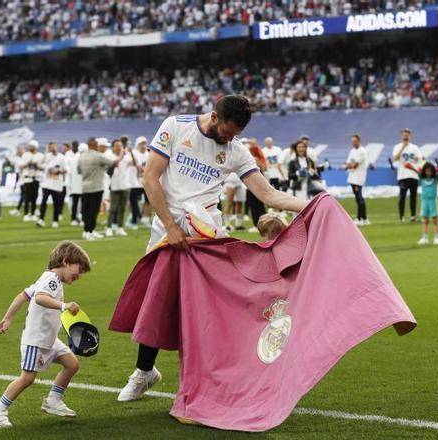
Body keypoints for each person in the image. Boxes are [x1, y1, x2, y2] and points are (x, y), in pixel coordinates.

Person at [116, 95, 307, 402]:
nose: (230, 140)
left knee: (206, 311)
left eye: (236, 136)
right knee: (158, 302)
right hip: (168, 235)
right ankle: (144, 372)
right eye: (228, 132)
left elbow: (268, 194)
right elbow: (150, 178)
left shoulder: (236, 150)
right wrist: (171, 226)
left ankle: (210, 381)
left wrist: (313, 205)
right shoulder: (175, 127)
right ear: (215, 117)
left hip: (207, 239)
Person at [0, 240, 91, 428]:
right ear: (66, 261)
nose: (80, 276)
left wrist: (8, 318)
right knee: (27, 378)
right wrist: (64, 305)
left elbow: (23, 296)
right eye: (79, 269)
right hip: (36, 340)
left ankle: (53, 400)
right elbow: (40, 298)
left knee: (72, 364)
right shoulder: (50, 280)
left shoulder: (49, 279)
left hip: (49, 339)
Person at [77, 138, 118, 240]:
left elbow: (78, 170)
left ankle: (86, 231)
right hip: (96, 187)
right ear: (95, 145)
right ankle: (90, 231)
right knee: (93, 210)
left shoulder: (82, 156)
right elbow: (111, 163)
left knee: (86, 210)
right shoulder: (97, 155)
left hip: (85, 187)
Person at [392, 128, 422, 222]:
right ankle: (401, 217)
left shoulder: (415, 147)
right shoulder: (397, 147)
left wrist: (417, 159)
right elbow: (395, 158)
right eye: (404, 135)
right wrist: (403, 148)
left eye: (407, 135)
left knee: (413, 197)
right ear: (401, 136)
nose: (405, 137)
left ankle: (413, 216)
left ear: (410, 136)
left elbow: (419, 159)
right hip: (403, 175)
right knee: (402, 197)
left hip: (413, 175)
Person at [106, 140, 134, 237]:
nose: (118, 148)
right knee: (113, 208)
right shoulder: (110, 156)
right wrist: (122, 153)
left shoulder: (127, 157)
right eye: (117, 146)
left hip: (125, 186)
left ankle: (120, 228)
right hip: (114, 186)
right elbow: (115, 163)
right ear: (113, 147)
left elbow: (133, 163)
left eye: (120, 146)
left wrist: (131, 153)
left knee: (122, 208)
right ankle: (109, 228)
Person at [37, 142, 67, 228]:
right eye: (50, 147)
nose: (51, 148)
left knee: (56, 203)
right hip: (46, 183)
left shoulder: (61, 157)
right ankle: (41, 219)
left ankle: (55, 220)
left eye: (52, 146)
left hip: (56, 184)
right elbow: (40, 164)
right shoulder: (47, 156)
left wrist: (57, 171)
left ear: (56, 146)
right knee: (44, 202)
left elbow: (65, 170)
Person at [345, 134, 370, 226]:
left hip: (358, 177)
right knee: (358, 198)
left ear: (359, 141)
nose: (353, 143)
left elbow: (354, 165)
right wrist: (349, 165)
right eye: (352, 141)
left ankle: (360, 218)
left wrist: (349, 165)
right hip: (352, 177)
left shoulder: (362, 151)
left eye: (355, 141)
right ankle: (364, 218)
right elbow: (348, 163)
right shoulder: (352, 151)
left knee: (359, 198)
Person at [245, 138, 268, 233]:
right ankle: (264, 223)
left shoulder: (254, 158)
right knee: (259, 204)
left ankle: (257, 225)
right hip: (259, 183)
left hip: (252, 183)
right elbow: (264, 168)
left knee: (254, 205)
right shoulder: (260, 157)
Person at [416, 162, 438, 245]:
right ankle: (424, 237)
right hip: (424, 200)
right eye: (427, 171)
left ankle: (437, 237)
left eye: (430, 171)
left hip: (433, 201)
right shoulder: (422, 177)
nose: (428, 173)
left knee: (435, 219)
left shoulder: (436, 177)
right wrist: (410, 167)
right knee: (425, 220)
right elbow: (417, 171)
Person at [21, 140, 44, 222]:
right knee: (27, 197)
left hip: (36, 177)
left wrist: (37, 165)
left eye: (31, 146)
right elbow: (21, 165)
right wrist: (28, 163)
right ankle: (26, 214)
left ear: (35, 147)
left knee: (35, 197)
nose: (29, 147)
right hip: (28, 178)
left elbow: (43, 167)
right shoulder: (26, 155)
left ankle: (33, 213)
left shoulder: (40, 155)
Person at [128, 136, 148, 230]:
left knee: (148, 201)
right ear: (137, 145)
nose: (143, 146)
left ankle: (145, 218)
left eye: (145, 143)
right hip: (134, 182)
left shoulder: (148, 154)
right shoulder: (134, 153)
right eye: (141, 144)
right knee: (134, 201)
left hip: (146, 182)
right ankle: (133, 218)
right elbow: (137, 166)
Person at [68, 143, 84, 226]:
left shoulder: (73, 158)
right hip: (82, 185)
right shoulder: (82, 158)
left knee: (75, 203)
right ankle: (81, 219)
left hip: (74, 185)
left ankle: (73, 219)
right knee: (83, 203)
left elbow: (70, 173)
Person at [9, 146, 25, 216]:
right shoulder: (18, 159)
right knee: (24, 195)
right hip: (21, 179)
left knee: (25, 195)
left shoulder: (26, 158)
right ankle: (18, 209)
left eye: (19, 150)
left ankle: (18, 209)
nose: (17, 152)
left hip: (26, 179)